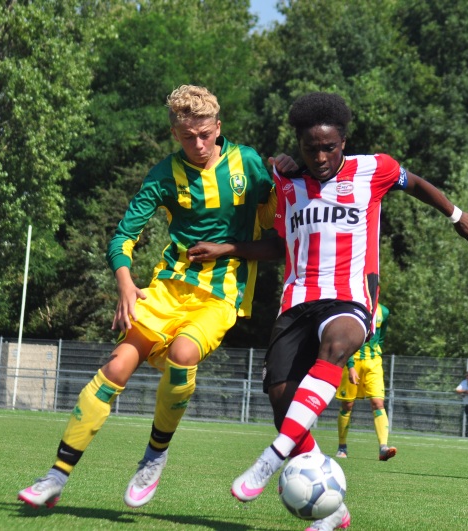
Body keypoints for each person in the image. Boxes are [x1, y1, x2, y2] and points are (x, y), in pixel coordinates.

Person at [188, 91, 468, 531]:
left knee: (338, 344)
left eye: (329, 147)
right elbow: (278, 244)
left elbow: (417, 184)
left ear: (344, 141)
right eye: (311, 148)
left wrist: (456, 214)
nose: (321, 156)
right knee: (279, 396)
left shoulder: (374, 170)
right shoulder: (285, 182)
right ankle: (334, 511)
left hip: (350, 296)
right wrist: (227, 247)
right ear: (299, 144)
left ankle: (271, 459)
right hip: (297, 300)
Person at [17, 85, 284, 509]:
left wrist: (283, 175)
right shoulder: (164, 175)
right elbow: (123, 237)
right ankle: (55, 477)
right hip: (166, 289)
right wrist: (125, 282)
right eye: (186, 137)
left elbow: (275, 213)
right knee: (116, 366)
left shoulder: (247, 162)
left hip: (220, 296)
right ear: (175, 135)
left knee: (182, 355)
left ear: (218, 127)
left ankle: (154, 456)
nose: (197, 145)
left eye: (204, 135)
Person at [335, 302, 396, 461]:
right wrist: (350, 365)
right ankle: (342, 447)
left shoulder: (384, 311)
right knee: (347, 404)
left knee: (378, 402)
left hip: (374, 362)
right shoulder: (353, 308)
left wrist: (377, 354)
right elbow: (346, 339)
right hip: (352, 361)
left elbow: (381, 338)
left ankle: (383, 447)